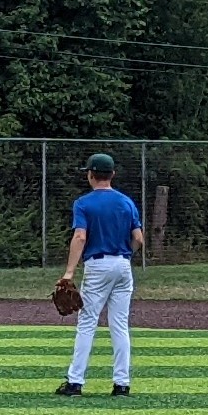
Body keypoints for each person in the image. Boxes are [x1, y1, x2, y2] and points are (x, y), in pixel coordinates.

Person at [55, 153, 143, 397]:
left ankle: (75, 382)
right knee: (119, 324)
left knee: (87, 322)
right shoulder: (126, 202)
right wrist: (125, 256)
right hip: (123, 265)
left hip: (98, 265)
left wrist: (69, 272)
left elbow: (80, 236)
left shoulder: (84, 203)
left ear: (90, 175)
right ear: (112, 174)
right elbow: (138, 239)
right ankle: (122, 384)